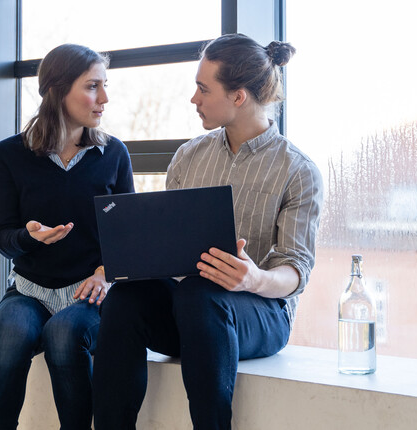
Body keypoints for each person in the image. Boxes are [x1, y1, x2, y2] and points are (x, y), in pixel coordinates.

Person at [92, 33, 323, 429]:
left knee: (201, 293)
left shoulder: (297, 170)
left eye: (203, 88)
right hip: (192, 313)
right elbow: (166, 246)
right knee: (127, 297)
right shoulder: (189, 156)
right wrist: (126, 260)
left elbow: (295, 271)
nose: (194, 99)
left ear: (238, 96)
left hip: (260, 313)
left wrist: (255, 278)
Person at [0, 44, 134, 430]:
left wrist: (103, 274)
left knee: (65, 337)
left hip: (91, 290)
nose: (104, 98)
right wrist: (31, 237)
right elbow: (3, 237)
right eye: (92, 86)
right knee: (9, 336)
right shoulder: (8, 155)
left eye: (104, 86)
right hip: (30, 289)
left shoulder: (113, 154)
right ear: (58, 90)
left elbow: (129, 238)